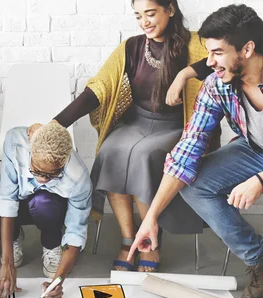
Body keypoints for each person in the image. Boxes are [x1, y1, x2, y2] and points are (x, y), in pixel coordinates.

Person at [29, 0, 217, 273]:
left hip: (177, 126)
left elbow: (221, 60)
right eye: (139, 16)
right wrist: (56, 125)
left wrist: (186, 73)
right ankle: (130, 240)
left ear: (171, 9)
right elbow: (98, 89)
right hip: (137, 121)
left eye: (151, 13)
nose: (145, 22)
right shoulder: (132, 47)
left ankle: (150, 240)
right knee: (110, 150)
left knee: (142, 155)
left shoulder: (197, 43)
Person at [129, 4, 263, 298]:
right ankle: (259, 259)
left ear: (247, 49)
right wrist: (150, 218)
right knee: (195, 184)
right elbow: (188, 148)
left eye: (217, 52)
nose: (209, 62)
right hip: (254, 148)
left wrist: (260, 180)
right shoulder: (218, 85)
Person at [0, 122, 92, 298]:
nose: (42, 179)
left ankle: (52, 243)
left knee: (43, 201)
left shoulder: (78, 178)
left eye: (52, 175)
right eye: (36, 171)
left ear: (64, 162)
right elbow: (7, 198)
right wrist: (8, 263)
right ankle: (14, 236)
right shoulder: (15, 142)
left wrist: (57, 282)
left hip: (49, 208)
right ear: (31, 152)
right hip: (18, 198)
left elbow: (75, 233)